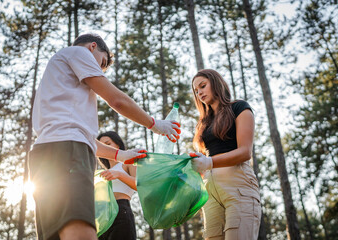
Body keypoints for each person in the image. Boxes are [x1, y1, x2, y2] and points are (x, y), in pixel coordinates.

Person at [28, 33, 181, 240]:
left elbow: (83, 136)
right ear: (93, 47)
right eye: (102, 63)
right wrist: (155, 124)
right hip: (70, 151)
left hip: (43, 155)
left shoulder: (57, 82)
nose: (99, 71)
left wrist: (121, 155)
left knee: (55, 233)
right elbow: (116, 101)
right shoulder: (79, 53)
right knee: (78, 226)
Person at [189, 69, 261, 240]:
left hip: (238, 186)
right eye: (196, 90)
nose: (199, 93)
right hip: (210, 193)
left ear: (216, 83)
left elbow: (245, 152)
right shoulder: (204, 124)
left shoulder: (239, 107)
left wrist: (209, 162)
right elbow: (204, 162)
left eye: (203, 86)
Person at [97, 131, 138, 240]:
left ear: (118, 145)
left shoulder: (127, 163)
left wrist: (119, 174)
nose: (105, 148)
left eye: (108, 144)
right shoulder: (102, 172)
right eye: (102, 146)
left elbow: (139, 185)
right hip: (102, 216)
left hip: (121, 210)